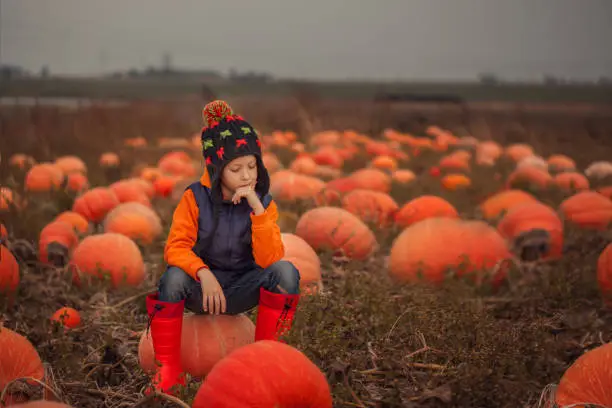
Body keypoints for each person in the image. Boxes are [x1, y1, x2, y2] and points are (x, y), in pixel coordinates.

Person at [144, 100, 301, 395]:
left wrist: (257, 210)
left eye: (252, 166)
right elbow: (175, 248)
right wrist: (202, 272)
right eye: (236, 169)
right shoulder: (194, 198)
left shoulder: (264, 204)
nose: (247, 176)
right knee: (173, 277)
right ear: (217, 170)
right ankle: (168, 371)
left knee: (286, 271)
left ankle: (266, 361)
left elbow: (270, 259)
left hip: (242, 288)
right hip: (204, 290)